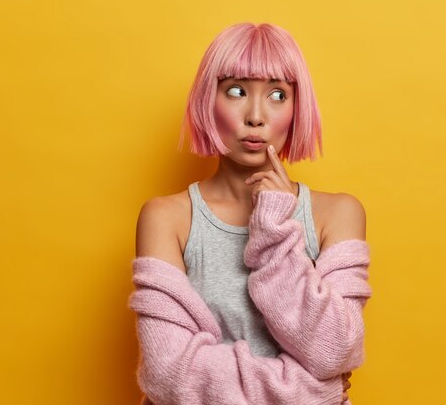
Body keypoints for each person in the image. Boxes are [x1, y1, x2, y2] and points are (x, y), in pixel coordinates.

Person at [131, 22, 370, 405]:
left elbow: (333, 350)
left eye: (278, 94)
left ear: (297, 107)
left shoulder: (337, 214)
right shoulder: (167, 218)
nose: (256, 115)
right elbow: (167, 375)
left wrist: (273, 229)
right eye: (237, 92)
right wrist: (313, 389)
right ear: (208, 100)